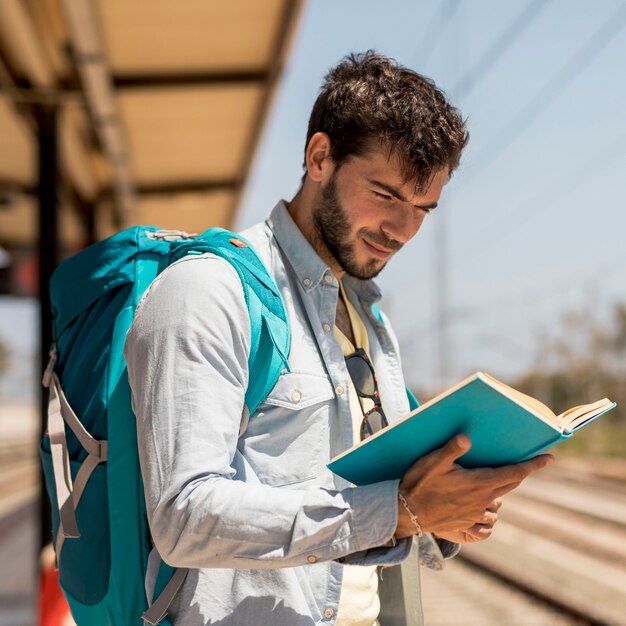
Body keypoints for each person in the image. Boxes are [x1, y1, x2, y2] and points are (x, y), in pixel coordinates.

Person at [124, 51, 552, 626]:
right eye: (386, 196)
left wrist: (444, 510)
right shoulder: (209, 289)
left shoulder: (366, 311)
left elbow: (373, 499)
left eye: (423, 208)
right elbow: (185, 516)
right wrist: (398, 512)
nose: (402, 231)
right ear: (319, 157)